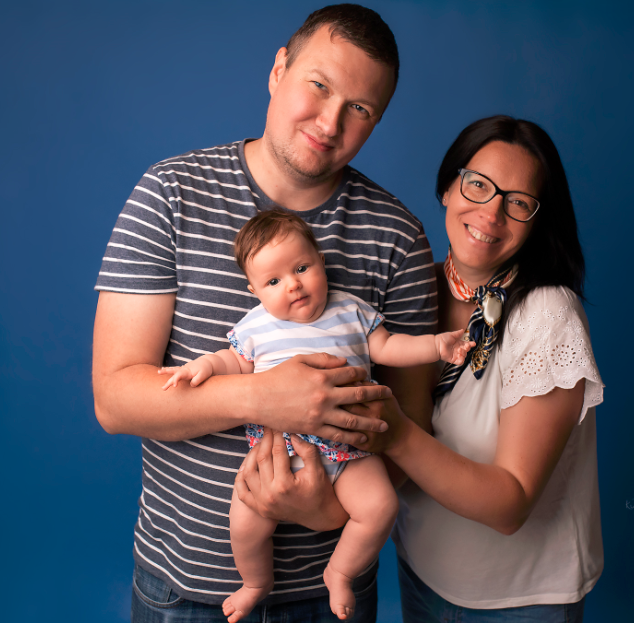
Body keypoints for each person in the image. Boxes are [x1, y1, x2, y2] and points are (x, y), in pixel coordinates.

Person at [92, 5, 438, 622]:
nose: (330, 122)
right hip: (183, 591)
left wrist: (327, 512)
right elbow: (115, 400)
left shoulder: (398, 238)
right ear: (279, 69)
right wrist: (263, 397)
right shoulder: (170, 194)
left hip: (329, 600)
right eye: (319, 85)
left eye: (360, 108)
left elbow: (412, 440)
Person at [159, 210, 472, 621]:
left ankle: (339, 572)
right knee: (244, 521)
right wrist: (202, 366)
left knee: (380, 507)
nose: (292, 284)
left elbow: (389, 347)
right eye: (273, 282)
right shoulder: (256, 326)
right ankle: (255, 582)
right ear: (255, 290)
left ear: (321, 261)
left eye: (301, 268)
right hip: (278, 452)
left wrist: (435, 346)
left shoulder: (352, 310)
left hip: (350, 447)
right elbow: (231, 361)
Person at [352, 115, 605, 622]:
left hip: (520, 599)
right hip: (421, 573)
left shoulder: (548, 314)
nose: (491, 213)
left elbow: (511, 505)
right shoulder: (410, 288)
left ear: (537, 220)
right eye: (478, 185)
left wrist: (394, 433)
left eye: (518, 202)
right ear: (449, 187)